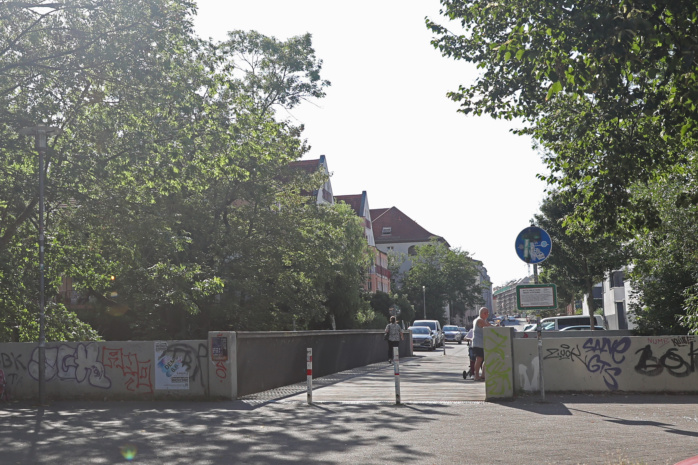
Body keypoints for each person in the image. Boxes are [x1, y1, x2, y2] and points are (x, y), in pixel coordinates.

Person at [472, 307, 494, 381]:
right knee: (479, 359)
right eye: (485, 313)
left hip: (483, 343)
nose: (487, 314)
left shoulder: (484, 320)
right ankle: (476, 375)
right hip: (478, 343)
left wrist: (496, 327)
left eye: (487, 312)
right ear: (481, 313)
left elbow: (490, 326)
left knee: (486, 359)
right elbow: (488, 327)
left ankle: (483, 375)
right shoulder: (479, 320)